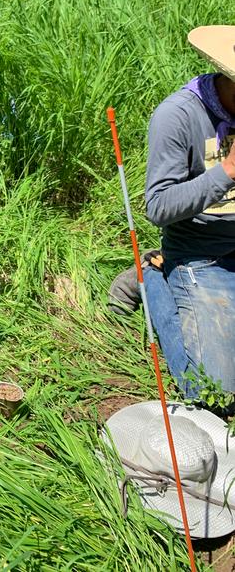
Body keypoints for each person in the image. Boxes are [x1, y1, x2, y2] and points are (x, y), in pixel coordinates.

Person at [109, 28, 235, 402]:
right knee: (214, 392)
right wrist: (225, 172)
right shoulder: (177, 116)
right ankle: (152, 275)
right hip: (200, 255)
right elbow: (158, 206)